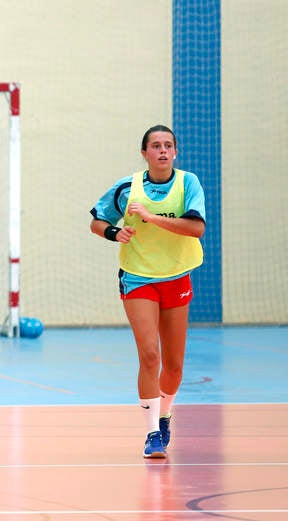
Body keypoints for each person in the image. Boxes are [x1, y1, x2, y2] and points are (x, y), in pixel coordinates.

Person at [89, 124, 206, 458]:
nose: (163, 150)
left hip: (176, 276)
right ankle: (152, 433)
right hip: (138, 277)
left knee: (174, 365)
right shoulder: (128, 187)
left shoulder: (188, 183)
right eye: (156, 146)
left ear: (175, 152)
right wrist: (114, 233)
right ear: (145, 153)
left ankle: (165, 414)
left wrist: (152, 218)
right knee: (149, 355)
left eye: (168, 145)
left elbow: (196, 228)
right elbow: (97, 221)